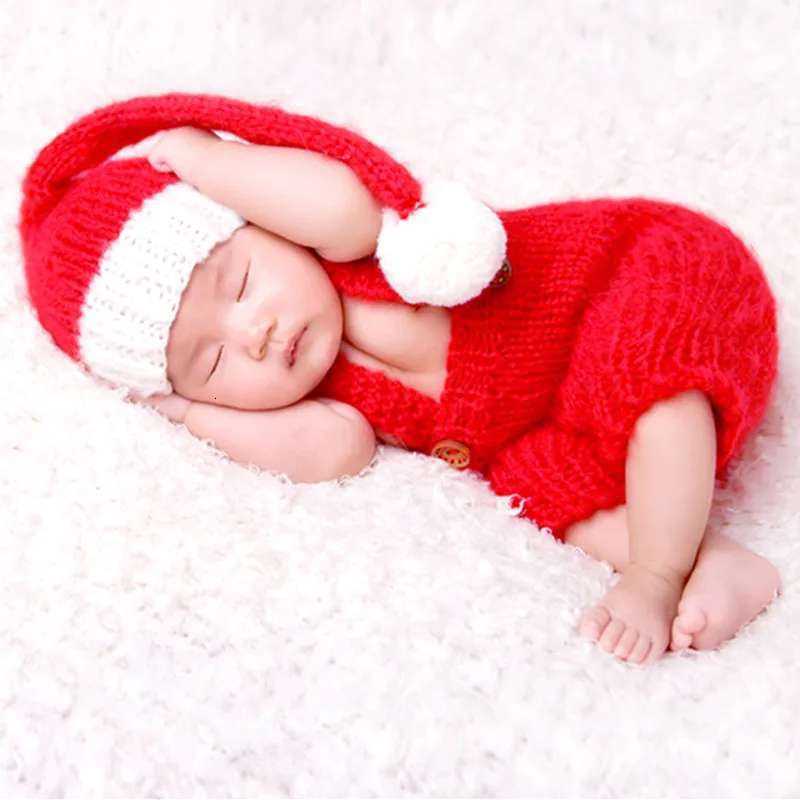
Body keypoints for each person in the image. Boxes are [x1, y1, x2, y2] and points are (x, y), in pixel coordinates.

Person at [19, 93, 780, 665]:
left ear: (259, 222)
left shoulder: (355, 247)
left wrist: (203, 161)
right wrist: (183, 411)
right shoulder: (326, 404)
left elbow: (345, 203)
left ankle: (657, 574)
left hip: (633, 281)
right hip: (540, 422)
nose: (254, 333)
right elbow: (332, 452)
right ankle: (714, 560)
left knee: (652, 380)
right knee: (552, 493)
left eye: (241, 280)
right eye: (210, 361)